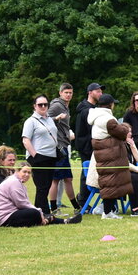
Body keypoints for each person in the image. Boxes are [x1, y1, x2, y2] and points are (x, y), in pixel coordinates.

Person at [0, 162, 82, 227]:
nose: (27, 175)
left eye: (29, 172)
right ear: (17, 171)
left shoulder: (18, 182)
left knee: (36, 212)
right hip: (1, 218)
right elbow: (22, 204)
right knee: (34, 213)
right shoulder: (14, 183)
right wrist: (39, 212)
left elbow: (24, 204)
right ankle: (47, 220)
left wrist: (40, 212)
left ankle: (65, 221)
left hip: (8, 214)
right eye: (24, 172)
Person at [88, 94, 133, 219]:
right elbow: (123, 133)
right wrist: (123, 126)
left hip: (105, 155)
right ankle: (107, 212)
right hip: (109, 156)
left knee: (110, 183)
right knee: (110, 183)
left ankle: (108, 211)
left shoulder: (97, 117)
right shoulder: (108, 119)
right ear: (110, 105)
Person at [22, 94, 59, 215]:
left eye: (45, 104)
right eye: (40, 104)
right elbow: (25, 140)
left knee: (46, 186)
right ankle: (45, 212)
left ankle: (37, 211)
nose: (43, 106)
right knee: (42, 186)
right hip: (39, 157)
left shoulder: (49, 119)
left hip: (51, 156)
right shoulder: (30, 121)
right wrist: (35, 156)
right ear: (34, 106)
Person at [48, 83, 81, 214]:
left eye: (70, 93)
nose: (68, 95)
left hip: (64, 146)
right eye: (66, 92)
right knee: (55, 179)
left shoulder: (65, 106)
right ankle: (54, 208)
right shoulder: (56, 106)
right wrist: (56, 118)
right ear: (60, 93)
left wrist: (68, 134)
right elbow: (45, 118)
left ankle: (77, 207)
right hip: (58, 148)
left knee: (68, 178)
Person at [74, 82, 103, 205]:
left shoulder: (91, 108)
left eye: (101, 91)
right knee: (86, 173)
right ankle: (82, 200)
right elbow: (91, 130)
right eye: (98, 91)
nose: (100, 93)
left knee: (88, 172)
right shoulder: (87, 110)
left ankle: (83, 198)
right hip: (87, 145)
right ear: (90, 93)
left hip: (88, 144)